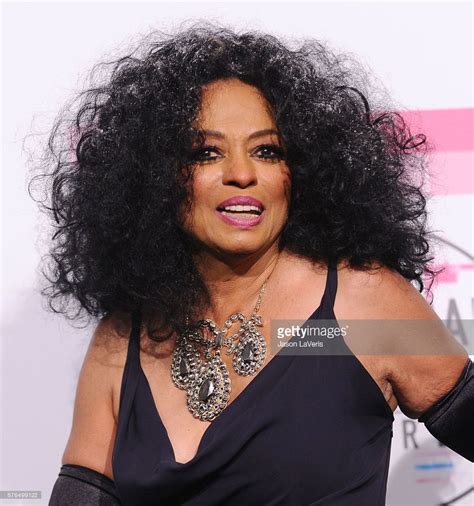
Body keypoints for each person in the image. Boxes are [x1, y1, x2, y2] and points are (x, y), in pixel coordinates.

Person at [29, 21, 472, 506]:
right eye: (205, 153)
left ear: (299, 170)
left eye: (266, 150)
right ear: (154, 176)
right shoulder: (121, 340)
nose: (242, 174)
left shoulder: (363, 308)